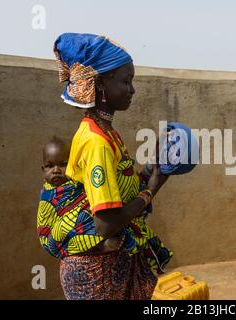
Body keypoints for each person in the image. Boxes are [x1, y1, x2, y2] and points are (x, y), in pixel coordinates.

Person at [53, 33, 172, 300]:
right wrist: (151, 189)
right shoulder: (97, 142)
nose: (132, 90)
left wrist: (153, 167)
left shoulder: (105, 132)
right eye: (126, 81)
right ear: (102, 83)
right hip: (96, 271)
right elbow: (106, 224)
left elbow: (119, 189)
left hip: (110, 263)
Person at [37, 137, 122, 259]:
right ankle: (100, 246)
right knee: (68, 224)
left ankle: (99, 243)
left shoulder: (77, 182)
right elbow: (46, 229)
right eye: (49, 166)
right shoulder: (48, 195)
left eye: (63, 164)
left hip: (76, 231)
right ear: (42, 169)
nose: (56, 170)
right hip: (56, 241)